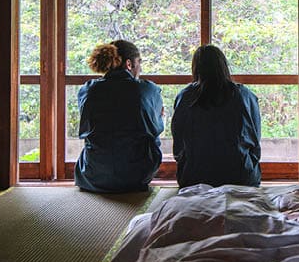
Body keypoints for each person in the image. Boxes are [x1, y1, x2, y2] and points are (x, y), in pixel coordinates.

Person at [74, 40, 164, 193]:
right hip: (136, 176)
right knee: (155, 126)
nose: (140, 68)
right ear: (129, 64)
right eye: (139, 63)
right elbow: (156, 128)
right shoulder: (147, 89)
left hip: (93, 175)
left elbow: (86, 128)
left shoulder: (88, 90)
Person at [171, 45, 261, 188]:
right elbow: (255, 142)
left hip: (194, 178)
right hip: (239, 178)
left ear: (196, 68)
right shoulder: (244, 95)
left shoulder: (185, 96)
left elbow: (178, 142)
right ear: (223, 66)